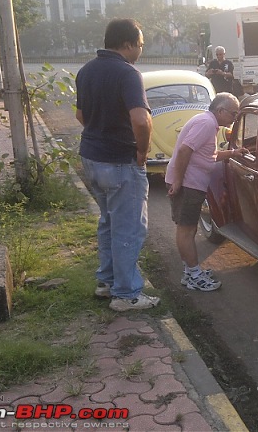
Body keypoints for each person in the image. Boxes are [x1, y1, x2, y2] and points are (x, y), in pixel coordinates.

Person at [75, 18, 159, 312]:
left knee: (109, 222)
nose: (141, 50)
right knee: (129, 228)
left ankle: (107, 282)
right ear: (127, 44)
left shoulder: (86, 71)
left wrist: (101, 132)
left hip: (92, 157)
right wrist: (142, 152)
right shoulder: (128, 73)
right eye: (140, 44)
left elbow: (80, 116)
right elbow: (140, 119)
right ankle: (126, 295)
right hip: (121, 161)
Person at [165, 92, 248, 291]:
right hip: (188, 183)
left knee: (189, 228)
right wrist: (178, 181)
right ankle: (194, 275)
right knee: (186, 230)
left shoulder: (207, 122)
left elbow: (207, 154)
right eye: (233, 114)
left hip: (190, 182)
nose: (235, 118)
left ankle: (190, 272)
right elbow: (185, 150)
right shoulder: (207, 124)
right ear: (220, 111)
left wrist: (233, 153)